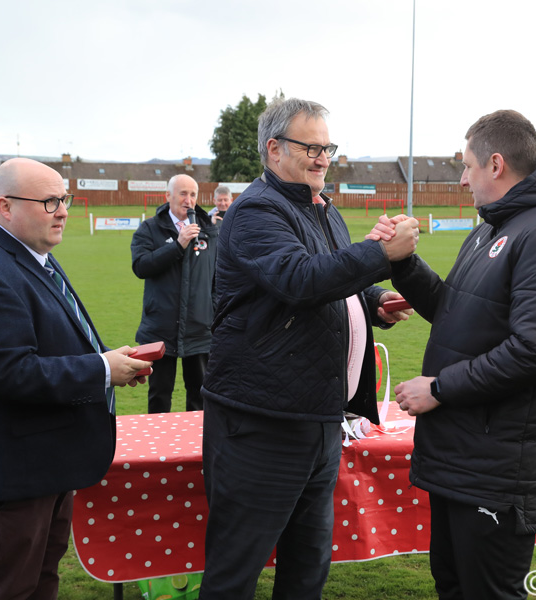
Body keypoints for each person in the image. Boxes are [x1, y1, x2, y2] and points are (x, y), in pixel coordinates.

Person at [198, 97, 418, 600]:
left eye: (328, 147)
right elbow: (300, 279)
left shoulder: (320, 208)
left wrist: (376, 299)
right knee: (236, 569)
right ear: (273, 149)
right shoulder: (257, 209)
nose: (322, 157)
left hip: (317, 419)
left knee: (308, 568)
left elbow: (335, 275)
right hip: (262, 423)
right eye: (311, 147)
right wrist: (382, 254)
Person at [385, 109, 536, 599]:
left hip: (500, 468)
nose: (462, 179)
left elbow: (534, 350)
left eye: (467, 166)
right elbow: (456, 312)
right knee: (454, 585)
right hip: (464, 457)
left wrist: (438, 389)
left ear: (496, 164)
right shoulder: (493, 228)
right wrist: (404, 265)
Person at [0, 157, 151, 599]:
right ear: (5, 206)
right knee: (6, 588)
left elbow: (51, 341)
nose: (62, 210)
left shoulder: (29, 256)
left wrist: (107, 361)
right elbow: (11, 373)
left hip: (44, 460)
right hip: (10, 472)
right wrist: (101, 370)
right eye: (49, 200)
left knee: (39, 582)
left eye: (64, 199)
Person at [131, 174, 217, 413]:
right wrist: (177, 245)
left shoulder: (209, 231)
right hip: (160, 329)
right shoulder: (149, 229)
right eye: (182, 193)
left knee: (200, 397)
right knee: (159, 396)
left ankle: (198, 449)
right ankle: (157, 448)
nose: (188, 200)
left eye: (192, 194)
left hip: (200, 330)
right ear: (167, 196)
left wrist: (213, 310)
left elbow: (218, 279)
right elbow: (141, 266)